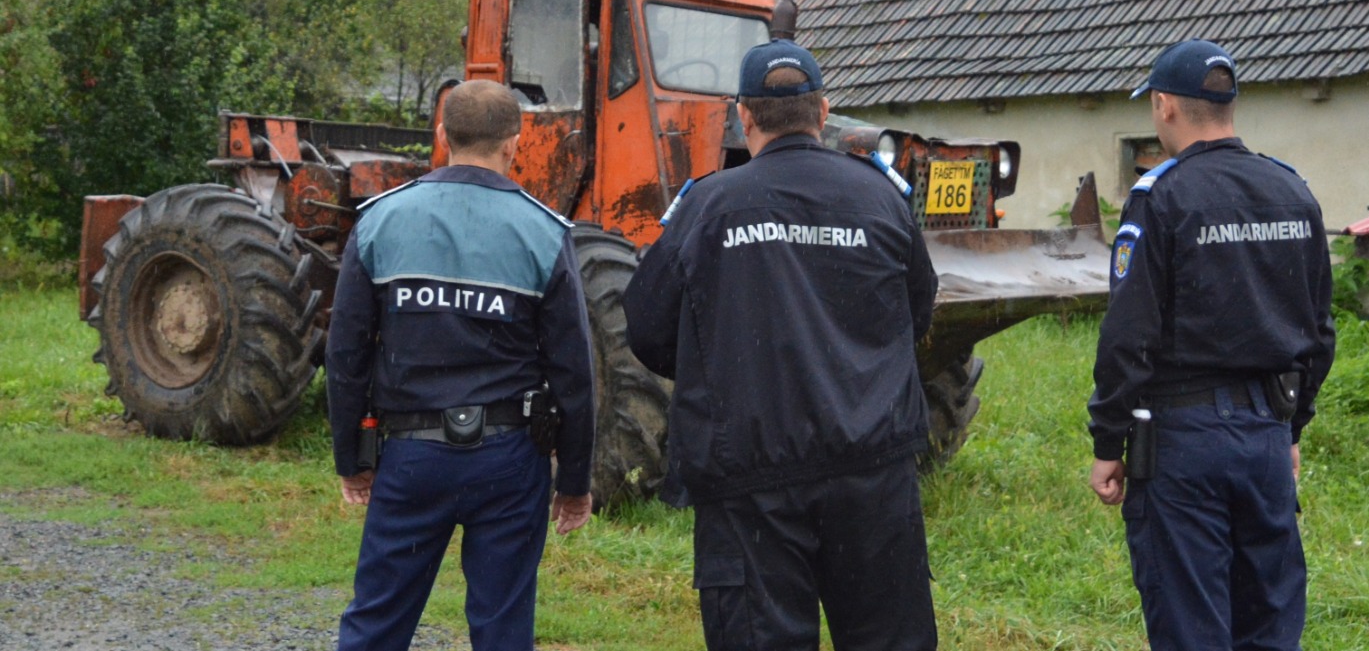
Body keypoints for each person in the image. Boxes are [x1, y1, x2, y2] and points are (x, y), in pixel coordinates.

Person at [623, 39, 940, 651]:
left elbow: (648, 328)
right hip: (872, 473)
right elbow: (917, 312)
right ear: (822, 112)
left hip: (750, 482)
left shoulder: (708, 205)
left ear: (744, 117)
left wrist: (724, 365)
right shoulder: (881, 197)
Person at [325, 79, 596, 651]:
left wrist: (352, 459)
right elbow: (574, 372)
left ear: (442, 134)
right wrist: (574, 482)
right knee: (502, 630)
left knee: (376, 623)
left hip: (410, 458)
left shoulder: (379, 221)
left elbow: (346, 353)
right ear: (515, 143)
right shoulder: (544, 233)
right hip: (509, 461)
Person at [1087, 39, 1336, 651]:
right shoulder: (1292, 190)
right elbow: (1320, 332)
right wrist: (1292, 427)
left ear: (1165, 105)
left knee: (1191, 625)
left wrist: (1107, 441)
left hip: (1183, 444)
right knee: (1268, 622)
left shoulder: (1160, 197)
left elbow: (1128, 337)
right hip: (1267, 437)